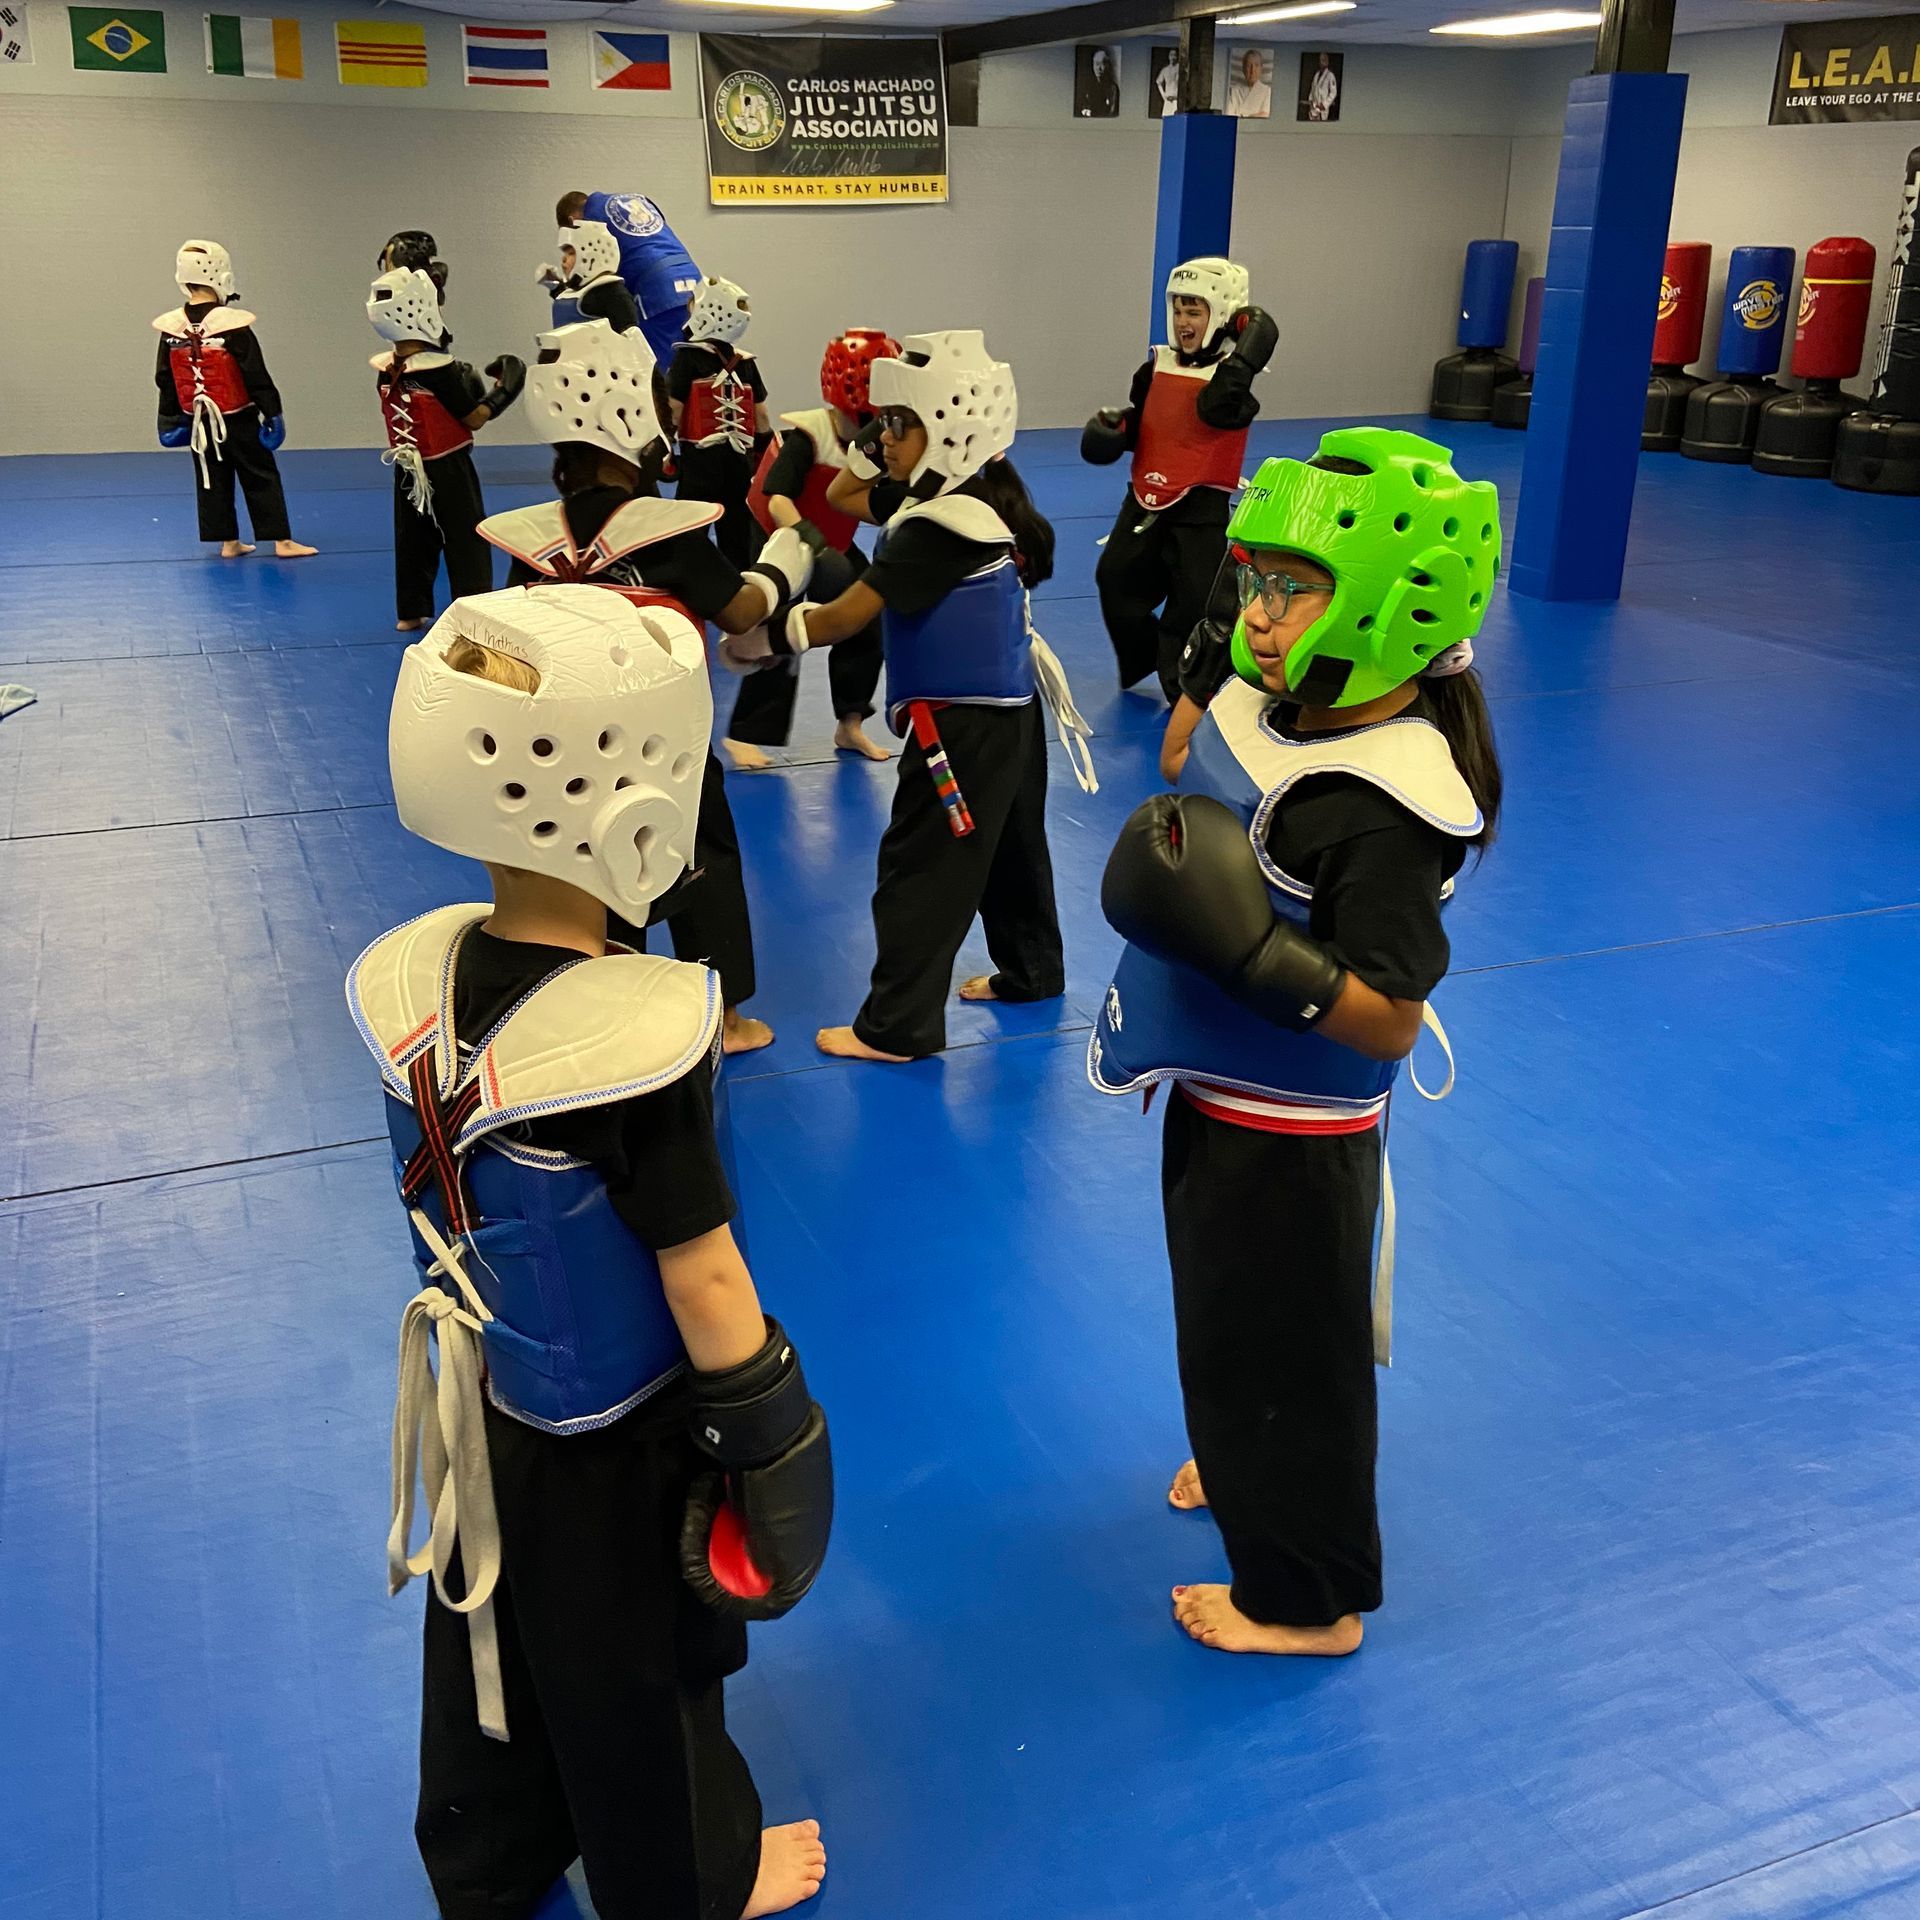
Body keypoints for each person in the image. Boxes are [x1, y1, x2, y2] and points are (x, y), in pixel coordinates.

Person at [348, 584, 832, 1920]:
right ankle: (687, 1883)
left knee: (483, 1629)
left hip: (478, 1406)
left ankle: (493, 1867)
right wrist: (775, 1431)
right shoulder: (636, 1035)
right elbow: (703, 1273)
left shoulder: (416, 977)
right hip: (619, 1445)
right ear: (636, 801)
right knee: (638, 1683)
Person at [1087, 428, 1505, 1658]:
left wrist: (1256, 957)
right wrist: (1209, 661)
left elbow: (1391, 1012)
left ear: (1385, 603)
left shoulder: (1385, 802)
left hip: (1294, 1139)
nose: (1264, 615)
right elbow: (1185, 763)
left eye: (1296, 588)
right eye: (1255, 582)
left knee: (1291, 1356)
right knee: (1228, 1329)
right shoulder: (1285, 701)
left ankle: (1307, 1601)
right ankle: (1242, 1449)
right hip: (1219, 1103)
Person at [726, 331, 1096, 1064]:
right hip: (1010, 711)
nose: (884, 438)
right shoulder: (962, 497)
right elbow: (840, 493)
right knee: (1013, 852)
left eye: (898, 424)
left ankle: (896, 1028)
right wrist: (881, 429)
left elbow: (842, 618)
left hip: (959, 729)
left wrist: (764, 637)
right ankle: (1033, 972)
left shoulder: (938, 527)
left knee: (920, 870)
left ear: (948, 432)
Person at [479, 320, 819, 1057]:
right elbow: (740, 610)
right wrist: (788, 562)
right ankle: (723, 1018)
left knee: (589, 858)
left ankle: (605, 987)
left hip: (566, 747)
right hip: (665, 746)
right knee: (705, 857)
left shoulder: (538, 534)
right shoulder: (659, 533)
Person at [1083, 257, 1276, 701]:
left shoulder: (1231, 379)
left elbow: (1214, 410)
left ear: (1221, 317)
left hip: (1200, 510)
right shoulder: (1156, 365)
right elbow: (1151, 420)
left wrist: (1247, 354)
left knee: (1193, 604)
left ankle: (1183, 688)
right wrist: (1117, 430)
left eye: (1195, 311)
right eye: (1178, 310)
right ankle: (1144, 655)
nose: (1183, 322)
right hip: (1145, 499)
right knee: (1114, 578)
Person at [723, 329, 899, 771]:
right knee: (779, 629)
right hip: (778, 534)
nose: (869, 427)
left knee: (864, 616)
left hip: (831, 538)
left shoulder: (881, 445)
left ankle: (851, 720)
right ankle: (747, 734)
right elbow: (779, 497)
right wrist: (807, 537)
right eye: (861, 416)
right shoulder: (808, 435)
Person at [367, 266, 524, 631]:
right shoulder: (439, 370)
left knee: (413, 538)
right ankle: (475, 608)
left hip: (407, 465)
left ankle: (410, 611)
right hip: (448, 466)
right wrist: (507, 387)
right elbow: (474, 418)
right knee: (465, 536)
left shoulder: (388, 368)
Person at [153, 240, 317, 560]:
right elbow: (255, 372)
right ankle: (281, 541)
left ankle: (227, 542)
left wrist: (170, 418)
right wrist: (272, 412)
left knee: (211, 477)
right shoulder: (232, 326)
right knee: (260, 474)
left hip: (200, 420)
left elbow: (164, 378)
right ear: (221, 276)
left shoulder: (172, 329)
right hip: (238, 417)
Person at [669, 277, 772, 572]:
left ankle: (686, 580)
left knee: (690, 525)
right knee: (737, 527)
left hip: (699, 462)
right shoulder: (746, 362)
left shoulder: (687, 358)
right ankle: (740, 584)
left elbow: (674, 409)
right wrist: (763, 453)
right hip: (739, 461)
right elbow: (762, 416)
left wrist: (664, 446)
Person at [553, 189, 702, 369]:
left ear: (572, 221)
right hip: (692, 277)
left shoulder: (590, 222)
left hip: (656, 287)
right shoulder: (638, 199)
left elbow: (596, 271)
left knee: (658, 372)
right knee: (694, 362)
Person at [537, 218, 640, 334]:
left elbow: (631, 337)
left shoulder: (613, 293)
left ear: (592, 256)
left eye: (571, 253)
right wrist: (554, 285)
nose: (563, 259)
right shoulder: (577, 293)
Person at [1227, 47, 1271, 118]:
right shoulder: (1234, 90)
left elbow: (1265, 115)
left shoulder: (1267, 91)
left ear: (1261, 68)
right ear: (1243, 68)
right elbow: (1229, 115)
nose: (1252, 70)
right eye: (1248, 66)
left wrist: (1241, 115)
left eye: (1256, 65)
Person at [1306, 51, 1340, 122]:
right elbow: (1312, 89)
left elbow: (1333, 93)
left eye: (1323, 60)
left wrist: (1324, 105)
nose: (1322, 62)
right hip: (1314, 106)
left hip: (1322, 107)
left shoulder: (1330, 75)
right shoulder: (1316, 74)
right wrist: (1311, 101)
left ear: (1327, 61)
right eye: (1320, 60)